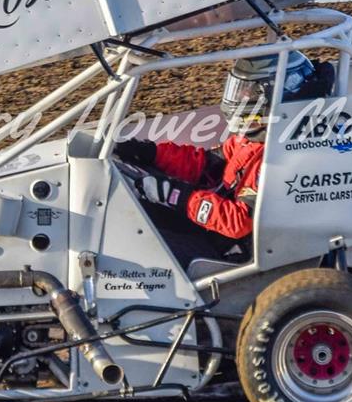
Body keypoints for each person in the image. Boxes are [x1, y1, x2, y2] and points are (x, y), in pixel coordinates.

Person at [116, 51, 333, 260]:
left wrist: (176, 196)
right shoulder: (250, 142)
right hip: (217, 232)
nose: (241, 96)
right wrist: (152, 154)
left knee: (139, 241)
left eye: (250, 91)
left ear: (275, 98)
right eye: (240, 89)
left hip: (235, 251)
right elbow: (206, 166)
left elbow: (239, 223)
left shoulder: (280, 158)